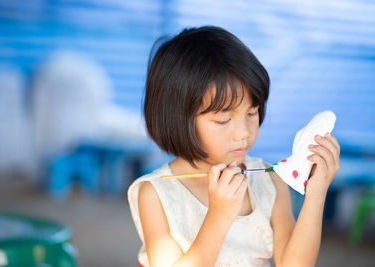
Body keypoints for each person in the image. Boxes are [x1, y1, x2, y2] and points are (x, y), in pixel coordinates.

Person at [128, 26, 340, 267]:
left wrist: (316, 194)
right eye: (223, 120)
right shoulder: (156, 193)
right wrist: (219, 215)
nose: (243, 133)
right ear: (177, 118)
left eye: (252, 112)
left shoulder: (270, 182)